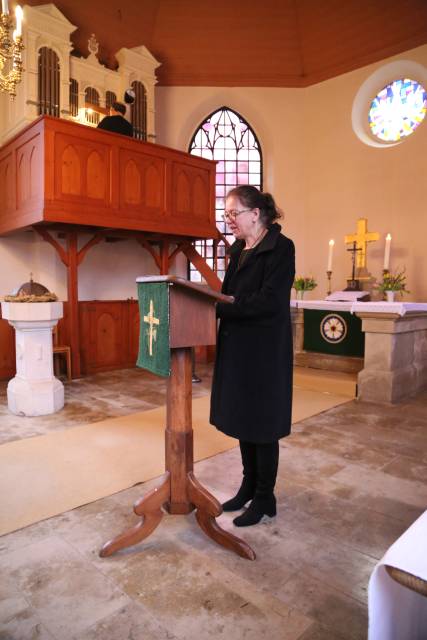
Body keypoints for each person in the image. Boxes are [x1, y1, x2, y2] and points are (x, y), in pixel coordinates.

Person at [210, 185, 295, 527]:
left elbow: (270, 301)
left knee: (263, 424)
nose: (229, 220)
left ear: (255, 213)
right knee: (245, 419)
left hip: (264, 351)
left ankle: (264, 496)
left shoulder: (281, 248)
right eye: (227, 214)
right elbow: (228, 295)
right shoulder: (238, 249)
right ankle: (247, 486)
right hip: (238, 346)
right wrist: (216, 303)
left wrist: (221, 308)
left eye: (234, 214)